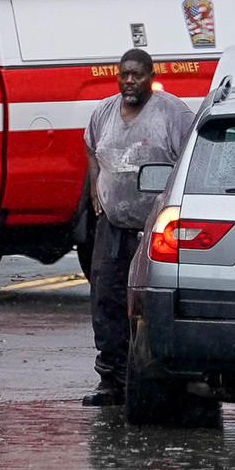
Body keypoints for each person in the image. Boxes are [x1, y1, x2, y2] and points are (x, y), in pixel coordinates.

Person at [83, 48, 195, 406]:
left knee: (150, 306)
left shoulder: (172, 113)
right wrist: (95, 191)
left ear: (151, 76)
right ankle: (110, 381)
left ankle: (153, 381)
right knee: (106, 301)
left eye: (137, 75)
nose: (129, 81)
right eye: (124, 75)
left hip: (154, 229)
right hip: (113, 227)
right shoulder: (103, 111)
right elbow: (89, 147)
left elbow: (192, 156)